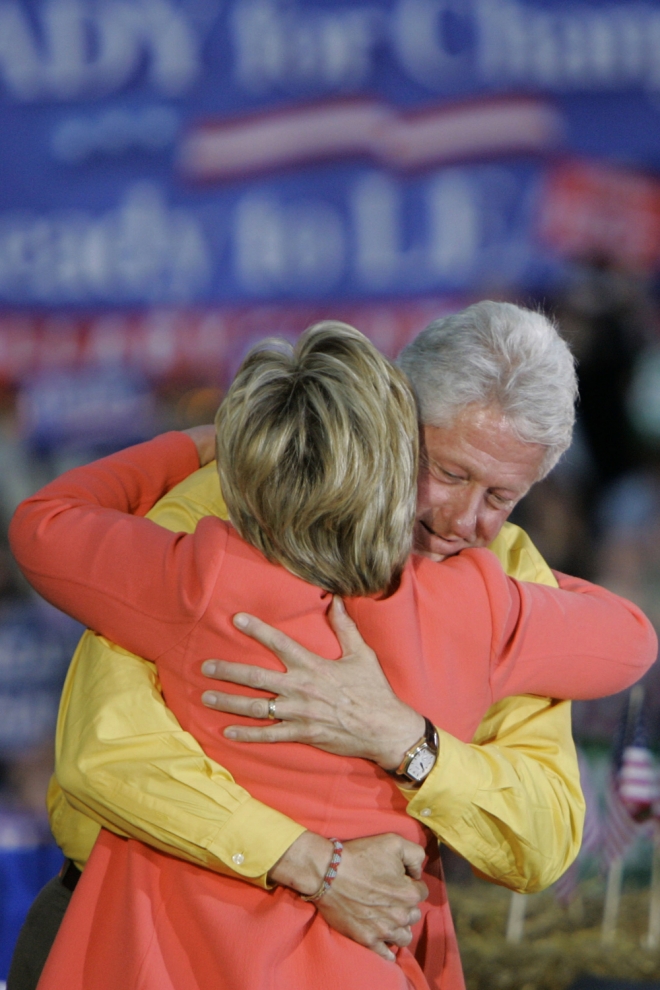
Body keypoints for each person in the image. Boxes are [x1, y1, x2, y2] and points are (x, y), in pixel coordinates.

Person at [9, 322, 655, 990]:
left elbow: (543, 840)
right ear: (391, 418)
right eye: (450, 473)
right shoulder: (485, 602)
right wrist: (318, 865)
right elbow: (108, 755)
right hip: (154, 929)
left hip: (197, 950)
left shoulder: (203, 570)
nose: (465, 521)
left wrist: (405, 740)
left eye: (502, 496)